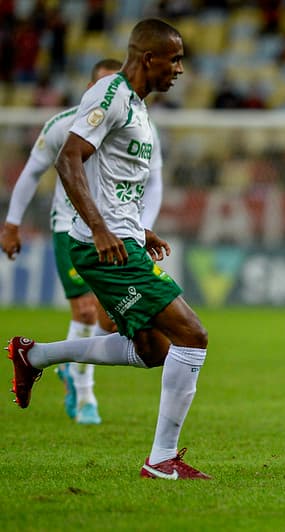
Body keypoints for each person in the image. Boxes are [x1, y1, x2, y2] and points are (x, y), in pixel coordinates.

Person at [7, 18, 210, 480]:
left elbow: (115, 183)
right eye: (174, 59)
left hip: (124, 242)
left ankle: (33, 355)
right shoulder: (110, 94)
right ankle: (161, 459)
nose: (180, 69)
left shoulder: (138, 108)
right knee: (193, 336)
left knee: (153, 350)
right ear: (147, 58)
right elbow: (67, 158)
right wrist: (100, 229)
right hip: (105, 249)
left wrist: (140, 229)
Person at [1, 58, 165, 426]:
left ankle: (54, 361)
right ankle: (84, 393)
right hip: (71, 227)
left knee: (111, 323)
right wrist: (11, 224)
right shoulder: (63, 127)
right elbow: (32, 173)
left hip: (122, 232)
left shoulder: (137, 124)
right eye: (103, 87)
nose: (111, 95)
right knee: (86, 312)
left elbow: (155, 181)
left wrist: (142, 227)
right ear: (90, 89)